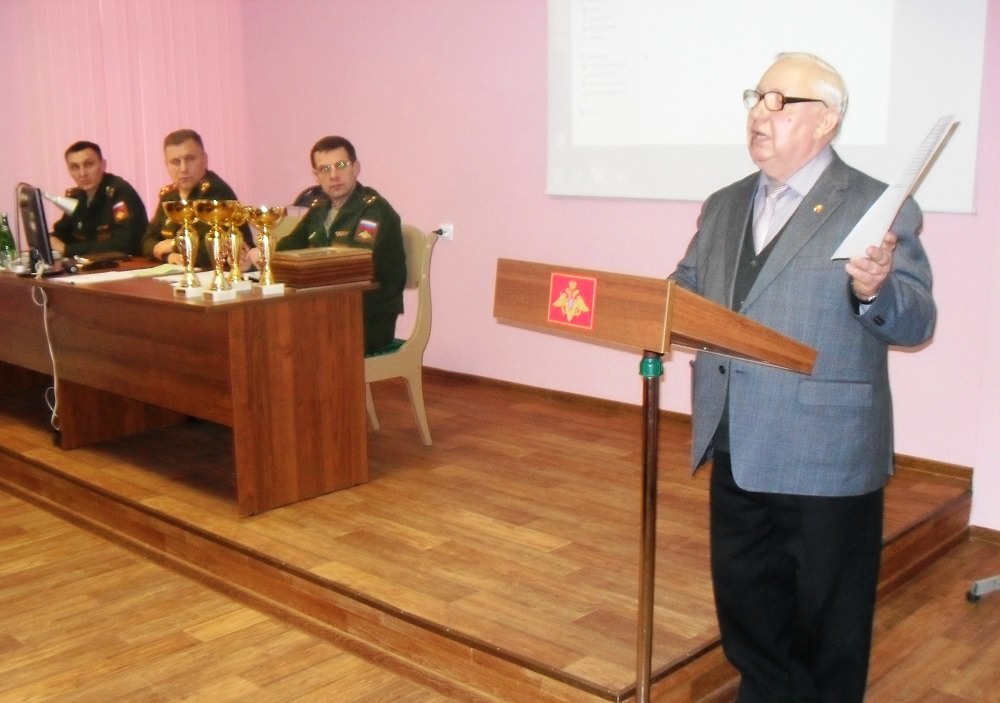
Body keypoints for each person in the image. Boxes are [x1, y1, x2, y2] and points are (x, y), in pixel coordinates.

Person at [669, 53, 936, 703]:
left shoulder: (877, 205)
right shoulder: (724, 203)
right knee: (747, 609)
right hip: (736, 438)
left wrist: (874, 291)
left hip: (826, 453)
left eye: (780, 101)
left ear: (827, 120)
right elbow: (688, 287)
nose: (759, 114)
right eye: (756, 98)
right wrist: (648, 305)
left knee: (827, 624)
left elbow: (917, 319)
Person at [247, 135, 406, 353]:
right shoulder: (320, 210)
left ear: (355, 168)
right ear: (316, 176)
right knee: (261, 328)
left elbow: (352, 265)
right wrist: (260, 256)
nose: (333, 176)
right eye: (324, 169)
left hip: (366, 317)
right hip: (324, 309)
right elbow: (289, 245)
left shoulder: (373, 211)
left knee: (286, 340)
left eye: (340, 166)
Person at [142, 129, 250, 268]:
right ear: (167, 165)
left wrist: (175, 245)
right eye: (175, 162)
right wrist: (169, 256)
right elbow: (147, 241)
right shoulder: (169, 196)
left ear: (204, 160)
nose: (183, 169)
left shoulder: (216, 192)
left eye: (190, 159)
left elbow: (216, 248)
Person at [50, 141, 148, 257]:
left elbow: (125, 243)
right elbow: (63, 232)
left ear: (102, 165)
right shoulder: (76, 196)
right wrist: (50, 241)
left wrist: (68, 250)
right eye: (75, 167)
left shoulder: (119, 192)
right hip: (93, 264)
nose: (82, 173)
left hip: (127, 264)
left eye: (88, 164)